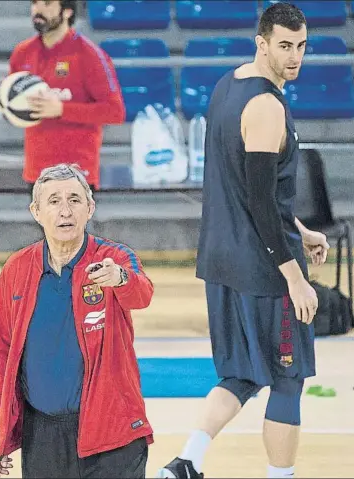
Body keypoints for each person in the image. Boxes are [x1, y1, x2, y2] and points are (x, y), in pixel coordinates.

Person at [158, 4, 330, 479]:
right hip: (263, 271)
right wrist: (295, 279)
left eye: (301, 47)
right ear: (262, 41)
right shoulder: (267, 107)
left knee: (241, 373)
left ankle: (187, 461)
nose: (294, 57)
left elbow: (250, 190)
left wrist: (302, 229)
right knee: (288, 379)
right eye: (284, 46)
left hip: (221, 261)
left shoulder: (228, 83)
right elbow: (258, 203)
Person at [0, 163, 154, 478]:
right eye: (54, 201)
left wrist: (119, 278)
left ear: (90, 208)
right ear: (36, 211)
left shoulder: (114, 257)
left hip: (113, 434)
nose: (66, 211)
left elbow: (141, 294)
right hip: (43, 437)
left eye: (75, 200)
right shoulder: (16, 269)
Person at [9, 0, 125, 191]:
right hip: (37, 171)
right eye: (35, 3)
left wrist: (62, 109)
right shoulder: (22, 53)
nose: (38, 9)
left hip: (77, 172)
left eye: (47, 3)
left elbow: (115, 112)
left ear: (67, 11)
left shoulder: (89, 55)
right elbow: (16, 107)